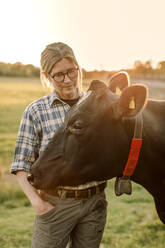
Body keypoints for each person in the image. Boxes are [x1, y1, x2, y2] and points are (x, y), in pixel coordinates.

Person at [11, 42, 107, 248]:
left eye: (71, 72)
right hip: (55, 204)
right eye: (59, 75)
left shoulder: (96, 106)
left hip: (94, 203)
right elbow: (21, 164)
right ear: (47, 77)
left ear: (78, 68)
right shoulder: (36, 111)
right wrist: (38, 204)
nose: (67, 80)